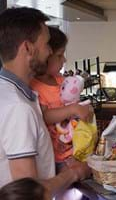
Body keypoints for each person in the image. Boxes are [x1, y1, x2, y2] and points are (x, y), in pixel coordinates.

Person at [0, 6, 92, 200]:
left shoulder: (16, 96)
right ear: (28, 48)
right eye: (46, 44)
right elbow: (28, 190)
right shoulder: (17, 106)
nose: (51, 51)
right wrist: (73, 173)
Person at [31, 26, 93, 172]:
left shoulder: (60, 80)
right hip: (55, 155)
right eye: (59, 55)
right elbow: (44, 116)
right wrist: (72, 109)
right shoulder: (35, 86)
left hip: (74, 149)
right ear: (45, 55)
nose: (64, 60)